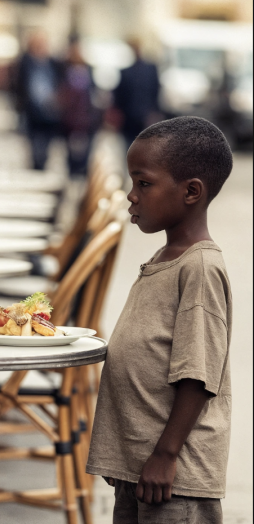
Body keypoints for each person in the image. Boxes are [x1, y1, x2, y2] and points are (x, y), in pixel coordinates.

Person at [87, 116, 233, 523]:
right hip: (141, 467)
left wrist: (166, 455)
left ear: (191, 192)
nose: (131, 195)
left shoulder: (199, 268)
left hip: (175, 477)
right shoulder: (164, 258)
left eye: (144, 183)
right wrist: (125, 455)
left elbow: (198, 374)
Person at [13, 31, 63, 170]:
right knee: (34, 147)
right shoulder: (25, 63)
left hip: (50, 113)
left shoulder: (53, 63)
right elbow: (18, 86)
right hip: (32, 112)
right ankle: (36, 167)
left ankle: (42, 166)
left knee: (46, 148)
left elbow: (60, 84)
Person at [58, 37, 100, 178]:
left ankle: (82, 173)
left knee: (85, 153)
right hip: (69, 118)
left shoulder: (88, 69)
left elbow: (93, 92)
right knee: (70, 152)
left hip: (86, 117)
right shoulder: (63, 68)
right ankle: (72, 173)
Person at [113, 39, 161, 147]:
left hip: (144, 117)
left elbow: (156, 92)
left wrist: (154, 112)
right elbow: (119, 97)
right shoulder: (126, 71)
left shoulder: (150, 69)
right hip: (130, 119)